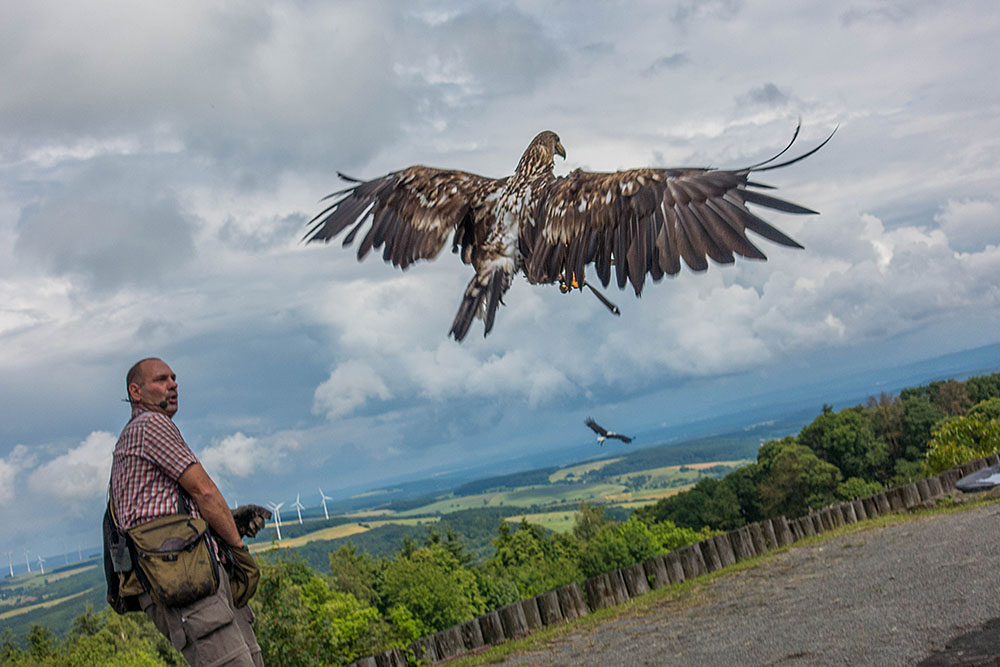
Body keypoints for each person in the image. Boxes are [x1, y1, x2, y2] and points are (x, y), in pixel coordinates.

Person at [110, 357, 264, 666]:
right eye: (161, 379)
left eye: (174, 378)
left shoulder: (138, 434)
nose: (173, 384)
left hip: (190, 577)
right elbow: (204, 490)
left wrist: (225, 523)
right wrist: (239, 551)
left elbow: (159, 516)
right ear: (136, 392)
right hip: (183, 580)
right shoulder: (150, 425)